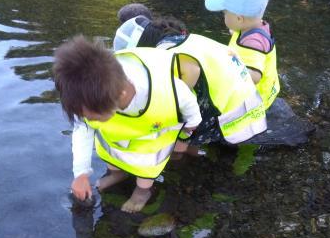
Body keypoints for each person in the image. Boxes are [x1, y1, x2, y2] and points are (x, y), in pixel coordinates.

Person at [53, 35, 202, 212]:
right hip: (119, 136)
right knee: (112, 154)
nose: (88, 121)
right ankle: (118, 174)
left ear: (121, 95)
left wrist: (189, 128)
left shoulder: (167, 90)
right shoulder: (90, 93)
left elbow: (190, 106)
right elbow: (82, 130)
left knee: (147, 164)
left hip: (153, 132)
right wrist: (81, 173)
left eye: (92, 117)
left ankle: (142, 191)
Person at [113, 16, 266, 147]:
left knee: (179, 125)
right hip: (249, 102)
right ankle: (192, 152)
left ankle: (181, 158)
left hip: (234, 116)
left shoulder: (165, 51)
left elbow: (191, 74)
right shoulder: (181, 38)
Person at [204, 0, 280, 110]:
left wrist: (224, 69)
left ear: (239, 19)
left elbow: (254, 77)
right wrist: (236, 30)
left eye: (225, 13)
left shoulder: (253, 43)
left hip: (255, 100)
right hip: (269, 88)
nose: (224, 15)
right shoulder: (252, 25)